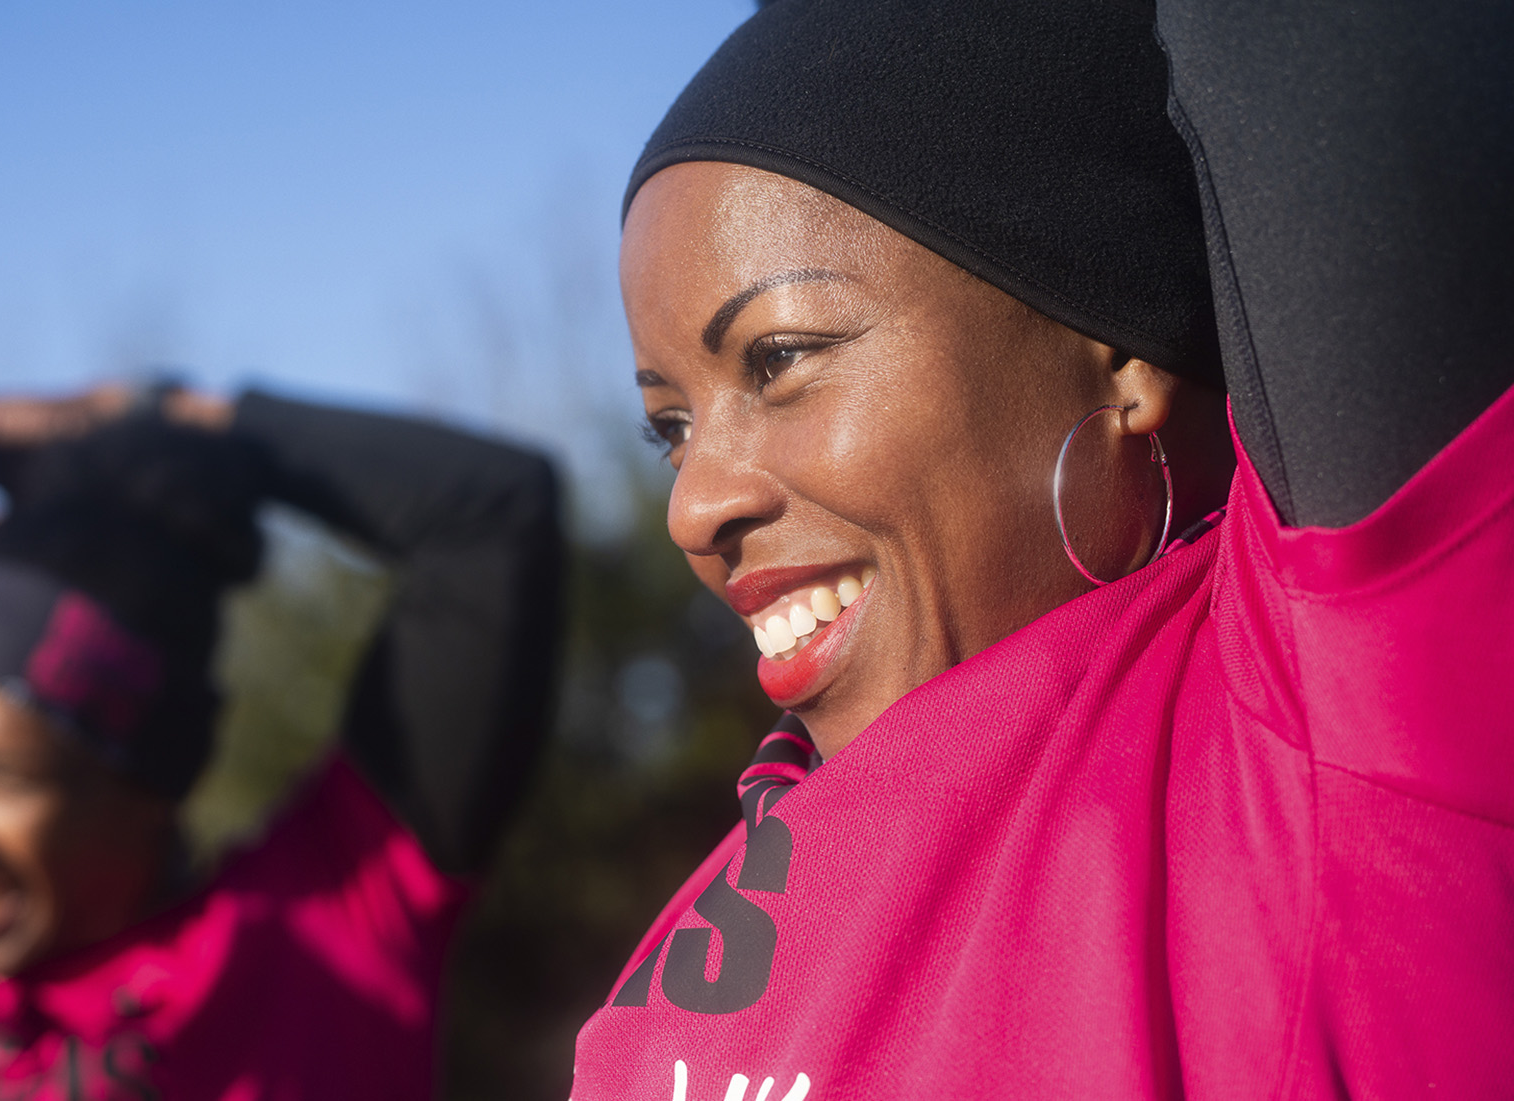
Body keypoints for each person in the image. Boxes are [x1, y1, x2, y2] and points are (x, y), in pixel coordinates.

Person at [571, 0, 1512, 1097]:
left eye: (779, 357)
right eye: (668, 431)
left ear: (1116, 357)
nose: (692, 508)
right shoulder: (692, 924)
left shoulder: (1321, 717)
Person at [0, 386, 562, 1099]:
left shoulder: (336, 925)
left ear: (153, 773)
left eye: (1, 774)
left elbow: (490, 513)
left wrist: (150, 409)